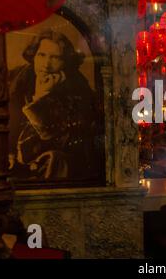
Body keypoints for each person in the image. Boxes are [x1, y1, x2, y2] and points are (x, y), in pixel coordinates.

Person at [8, 30, 99, 181]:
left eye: (55, 57)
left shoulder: (77, 89)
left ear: (65, 62)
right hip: (16, 165)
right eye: (41, 55)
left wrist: (43, 96)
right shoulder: (18, 82)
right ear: (34, 56)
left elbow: (58, 141)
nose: (46, 64)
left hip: (54, 168)